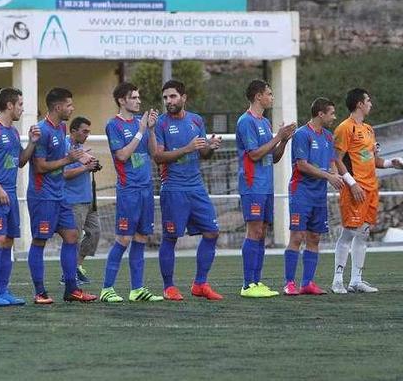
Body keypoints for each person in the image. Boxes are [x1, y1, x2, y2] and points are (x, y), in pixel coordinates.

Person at [153, 80, 224, 301]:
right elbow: (158, 157)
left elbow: (202, 154)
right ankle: (169, 287)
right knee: (171, 237)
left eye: (173, 97)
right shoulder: (161, 124)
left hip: (196, 187)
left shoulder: (196, 120)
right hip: (173, 188)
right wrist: (188, 148)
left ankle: (200, 284)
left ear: (184, 97)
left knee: (212, 232)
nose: (168, 101)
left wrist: (209, 148)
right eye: (165, 97)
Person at [332, 88, 403, 294]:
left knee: (364, 233)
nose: (370, 104)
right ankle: (337, 279)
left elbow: (372, 160)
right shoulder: (344, 128)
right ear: (359, 104)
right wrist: (352, 183)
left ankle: (356, 280)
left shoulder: (368, 129)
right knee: (349, 232)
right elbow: (337, 159)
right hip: (355, 188)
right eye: (368, 100)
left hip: (371, 188)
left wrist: (393, 163)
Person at [27, 88, 98, 304]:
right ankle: (40, 292)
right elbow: (39, 167)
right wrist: (69, 160)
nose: (72, 108)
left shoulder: (62, 128)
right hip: (43, 196)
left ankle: (72, 289)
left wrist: (81, 158)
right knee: (40, 241)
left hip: (60, 196)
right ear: (58, 107)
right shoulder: (42, 131)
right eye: (69, 105)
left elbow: (67, 157)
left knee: (72, 237)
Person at [0, 87, 40, 306]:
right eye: (20, 104)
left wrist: (31, 142)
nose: (23, 108)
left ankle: (3, 291)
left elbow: (20, 161)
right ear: (9, 105)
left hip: (10, 193)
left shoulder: (12, 133)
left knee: (9, 241)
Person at [99, 83, 163, 303]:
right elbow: (123, 156)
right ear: (121, 101)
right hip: (128, 191)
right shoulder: (113, 125)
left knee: (141, 238)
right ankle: (106, 288)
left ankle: (137, 289)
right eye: (133, 97)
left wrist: (152, 130)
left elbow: (155, 154)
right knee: (124, 238)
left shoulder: (141, 124)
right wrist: (142, 131)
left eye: (138, 96)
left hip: (146, 189)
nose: (138, 100)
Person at [236, 79, 296, 298]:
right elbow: (254, 154)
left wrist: (284, 141)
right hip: (252, 185)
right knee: (253, 230)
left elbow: (274, 157)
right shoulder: (246, 121)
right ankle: (247, 284)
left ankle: (257, 281)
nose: (272, 97)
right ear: (258, 96)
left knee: (261, 233)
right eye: (269, 94)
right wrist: (278, 137)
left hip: (266, 184)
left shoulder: (265, 123)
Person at [283, 97, 344, 295]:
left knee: (315, 237)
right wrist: (328, 176)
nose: (334, 117)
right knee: (297, 236)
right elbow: (302, 165)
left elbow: (332, 161)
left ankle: (307, 283)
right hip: (301, 192)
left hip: (319, 195)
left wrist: (336, 177)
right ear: (321, 114)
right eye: (331, 113)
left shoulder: (327, 137)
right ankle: (289, 283)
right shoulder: (302, 134)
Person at [64, 116, 102, 286]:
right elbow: (64, 174)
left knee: (95, 233)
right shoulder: (65, 147)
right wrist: (86, 167)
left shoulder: (81, 148)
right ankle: (68, 274)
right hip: (73, 200)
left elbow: (87, 166)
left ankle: (77, 267)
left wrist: (93, 164)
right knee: (74, 238)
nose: (87, 134)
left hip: (88, 199)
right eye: (84, 131)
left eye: (88, 131)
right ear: (73, 131)